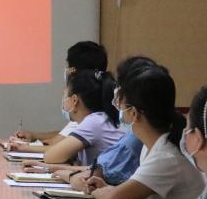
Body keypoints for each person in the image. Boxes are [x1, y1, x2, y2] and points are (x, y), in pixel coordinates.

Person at [86, 65, 204, 199]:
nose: (119, 111)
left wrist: (99, 192)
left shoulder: (166, 157)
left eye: (120, 105)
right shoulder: (152, 146)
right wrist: (107, 190)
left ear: (134, 113)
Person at [63, 56, 154, 190]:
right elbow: (97, 170)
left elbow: (91, 179)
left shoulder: (134, 139)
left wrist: (65, 174)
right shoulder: (136, 134)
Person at [7, 41, 108, 154]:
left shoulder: (91, 117)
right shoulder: (98, 105)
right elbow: (64, 136)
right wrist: (33, 136)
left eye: (67, 67)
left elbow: (54, 148)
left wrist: (23, 147)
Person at [35, 69, 121, 168]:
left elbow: (50, 156)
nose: (63, 100)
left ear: (74, 100)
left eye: (64, 95)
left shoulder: (94, 122)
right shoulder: (101, 118)